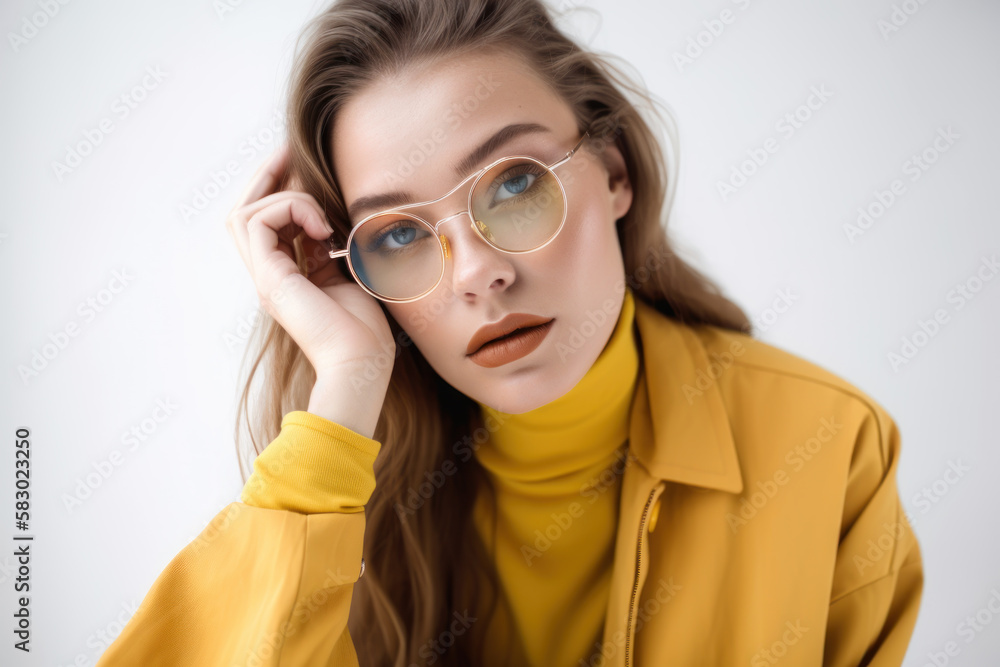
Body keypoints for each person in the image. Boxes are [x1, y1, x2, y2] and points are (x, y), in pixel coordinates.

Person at [96, 0, 923, 665]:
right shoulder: (348, 485)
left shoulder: (830, 445)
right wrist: (346, 381)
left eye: (514, 182)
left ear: (615, 172)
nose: (473, 274)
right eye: (397, 235)